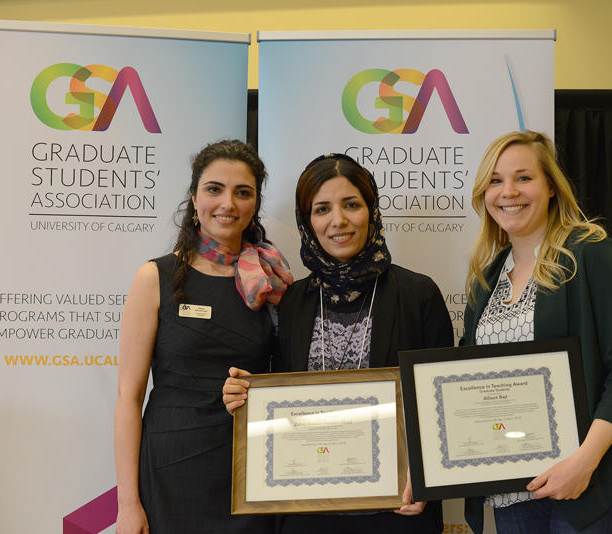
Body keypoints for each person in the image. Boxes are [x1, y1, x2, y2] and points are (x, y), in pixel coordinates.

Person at [223, 153, 453, 534]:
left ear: (372, 210)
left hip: (397, 510)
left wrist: (426, 474)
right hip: (308, 513)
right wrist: (244, 396)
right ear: (307, 221)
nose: (338, 221)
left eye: (351, 205)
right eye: (322, 209)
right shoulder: (293, 300)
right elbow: (278, 399)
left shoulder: (417, 294)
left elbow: (441, 403)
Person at [461, 131, 612, 534]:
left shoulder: (590, 253)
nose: (508, 192)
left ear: (551, 186)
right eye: (495, 181)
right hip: (513, 492)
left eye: (523, 178)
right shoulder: (486, 280)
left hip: (591, 485)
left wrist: (582, 464)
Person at [114, 140, 292, 534]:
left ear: (254, 204)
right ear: (194, 198)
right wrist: (127, 503)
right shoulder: (154, 278)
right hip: (170, 469)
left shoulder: (273, 284)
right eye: (214, 189)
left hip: (250, 470)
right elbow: (129, 397)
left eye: (242, 192)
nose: (228, 203)